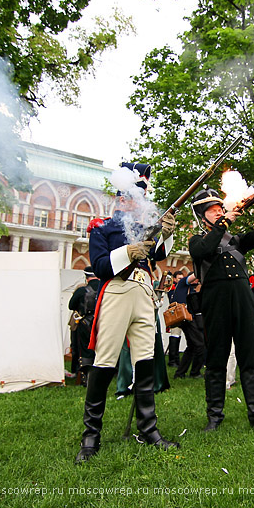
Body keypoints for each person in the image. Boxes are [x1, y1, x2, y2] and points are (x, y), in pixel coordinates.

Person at [74, 162, 179, 464]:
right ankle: (91, 435)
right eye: (134, 197)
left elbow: (158, 254)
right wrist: (128, 252)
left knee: (145, 361)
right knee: (105, 362)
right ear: (121, 198)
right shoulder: (102, 228)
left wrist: (167, 234)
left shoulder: (143, 225)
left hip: (145, 292)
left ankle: (148, 429)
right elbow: (102, 266)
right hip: (118, 292)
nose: (139, 203)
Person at [188, 185, 254, 438]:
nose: (218, 213)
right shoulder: (197, 239)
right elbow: (202, 251)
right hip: (215, 301)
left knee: (249, 356)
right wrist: (224, 224)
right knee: (216, 359)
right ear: (202, 215)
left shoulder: (236, 240)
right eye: (213, 211)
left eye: (220, 209)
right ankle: (214, 417)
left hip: (242, 298)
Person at [67, 267, 100, 384]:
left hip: (86, 323)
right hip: (104, 323)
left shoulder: (82, 291)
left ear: (86, 278)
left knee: (85, 350)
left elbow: (71, 306)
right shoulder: (105, 289)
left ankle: (85, 378)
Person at [172, 272, 205, 379]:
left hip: (188, 319)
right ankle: (195, 372)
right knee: (200, 345)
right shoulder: (183, 283)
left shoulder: (193, 290)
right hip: (187, 319)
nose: (196, 281)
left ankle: (180, 373)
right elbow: (194, 276)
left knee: (191, 347)